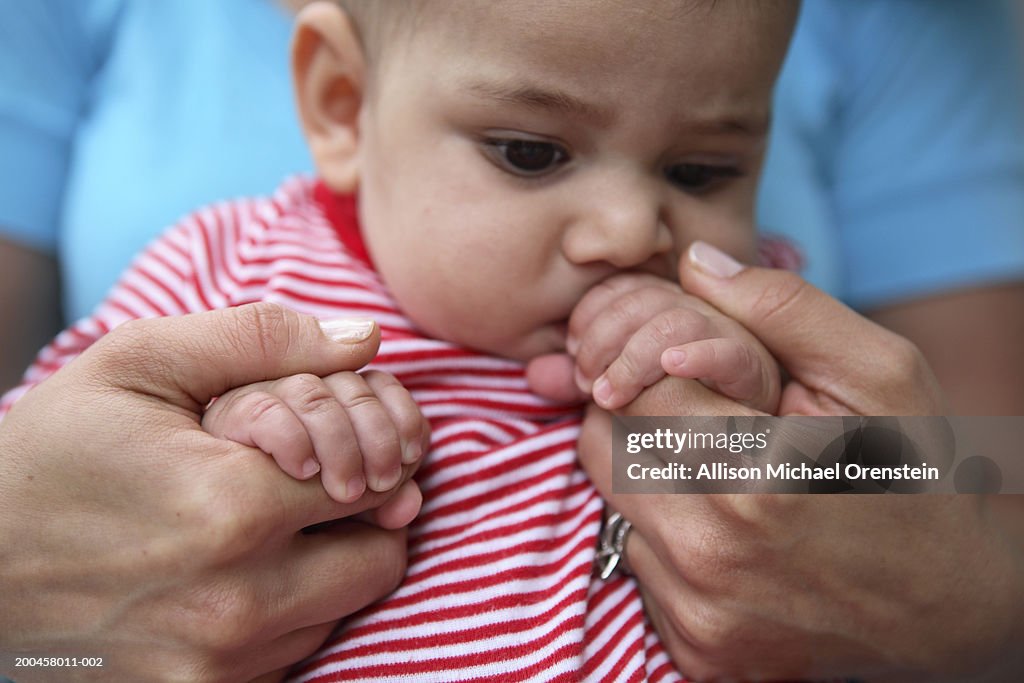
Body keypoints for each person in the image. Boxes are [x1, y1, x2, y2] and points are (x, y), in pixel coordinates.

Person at [1, 0, 800, 679]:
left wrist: (751, 397)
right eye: (531, 154)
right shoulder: (229, 273)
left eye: (701, 171)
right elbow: (46, 470)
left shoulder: (745, 297)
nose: (630, 232)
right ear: (342, 103)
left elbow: (902, 468)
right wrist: (235, 432)